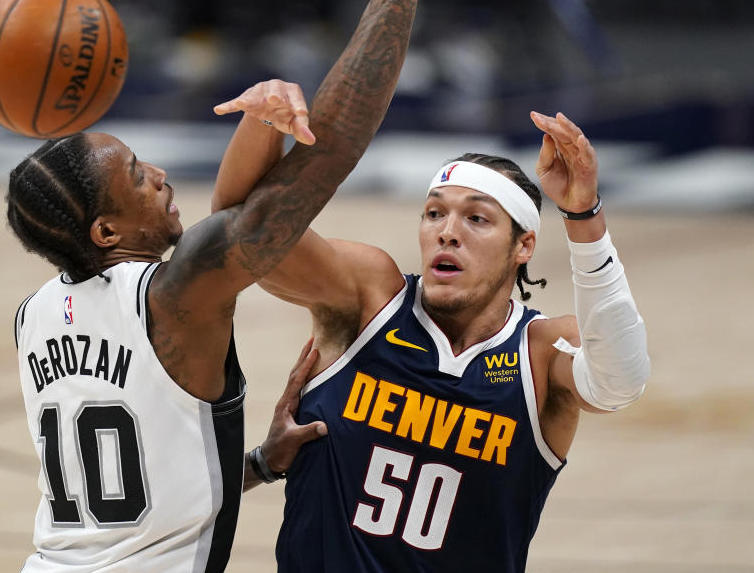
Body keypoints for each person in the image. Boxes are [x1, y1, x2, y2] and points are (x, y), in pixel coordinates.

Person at [3, 0, 498, 571]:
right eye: (138, 179)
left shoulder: (35, 318)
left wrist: (260, 464)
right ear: (105, 233)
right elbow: (324, 161)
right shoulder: (173, 296)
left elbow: (128, 493)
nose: (162, 176)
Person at [210, 104, 651, 571]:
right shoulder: (367, 299)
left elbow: (620, 380)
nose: (447, 232)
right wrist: (262, 121)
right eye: (434, 213)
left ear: (522, 246)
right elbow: (236, 240)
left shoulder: (539, 351)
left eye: (476, 219)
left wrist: (583, 215)